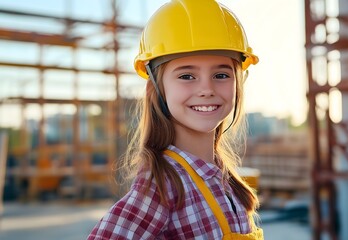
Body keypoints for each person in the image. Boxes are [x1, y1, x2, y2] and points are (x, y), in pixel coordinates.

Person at [87, 0, 263, 239]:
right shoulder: (163, 186)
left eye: (221, 74)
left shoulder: (225, 179)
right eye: (187, 75)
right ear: (155, 89)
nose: (206, 89)